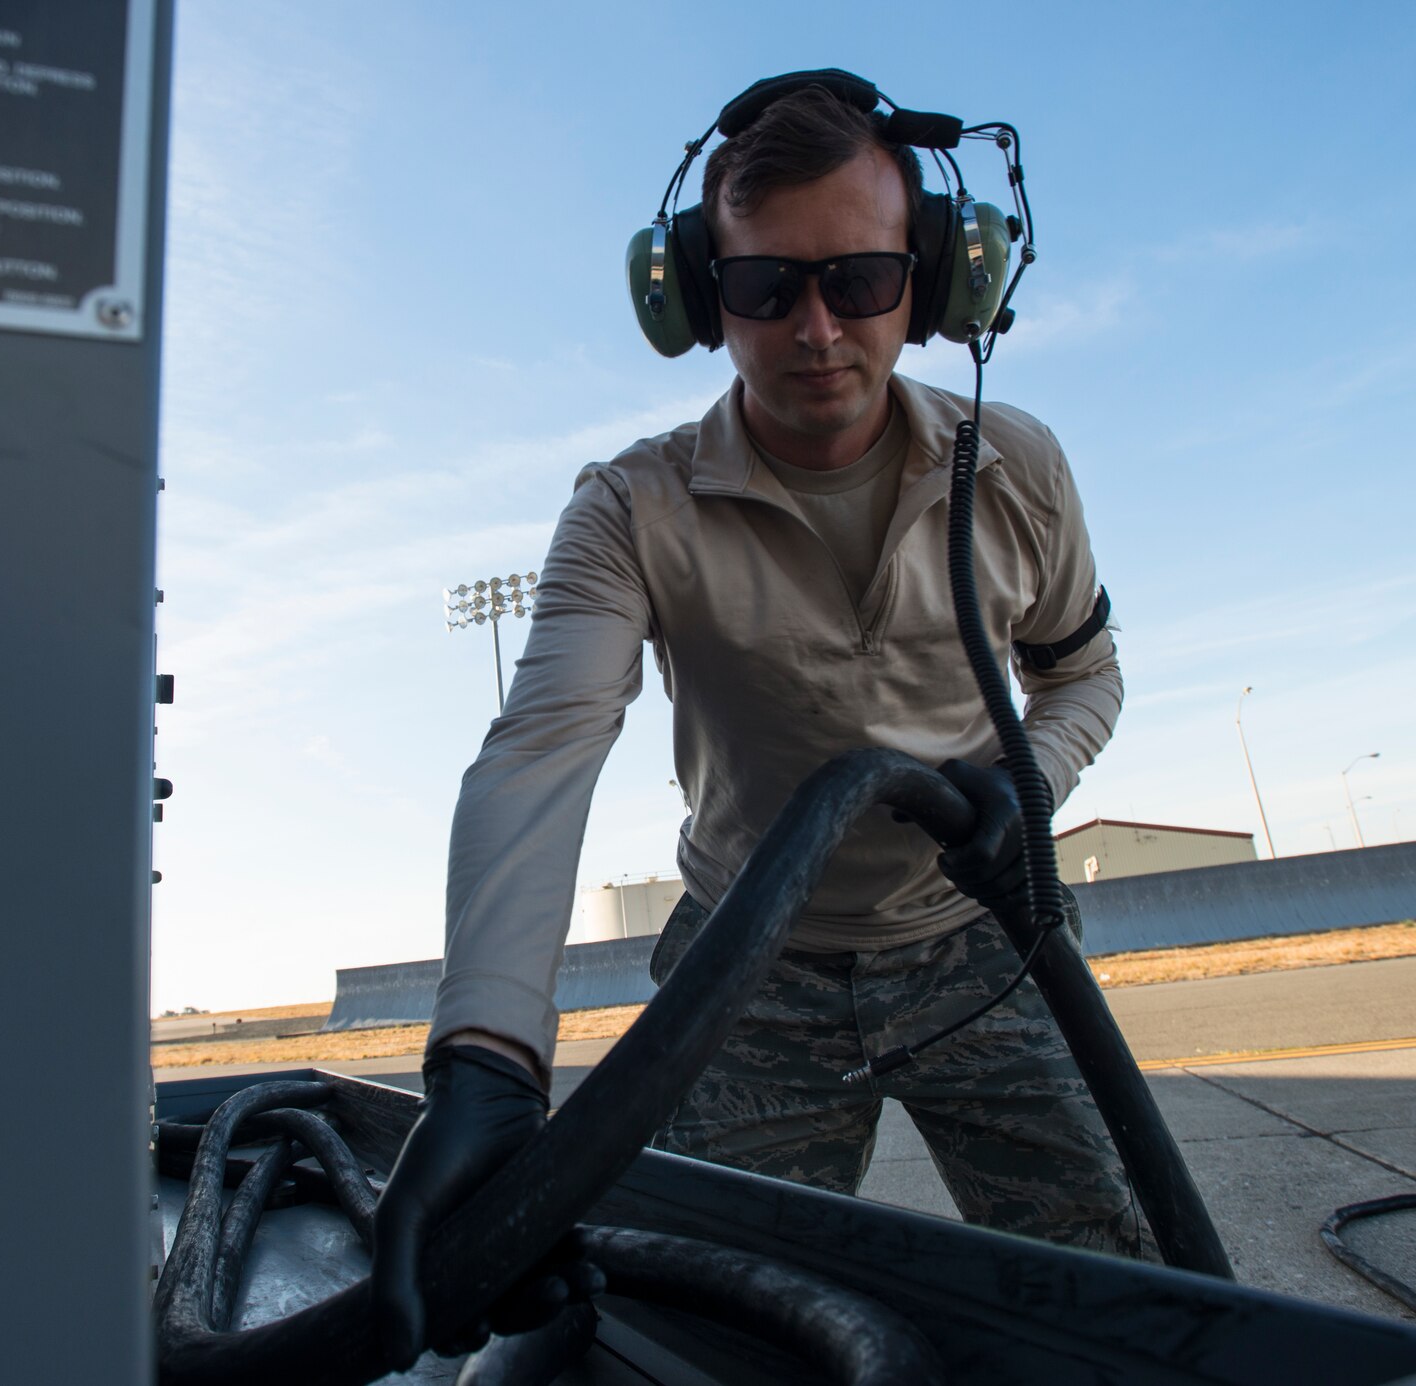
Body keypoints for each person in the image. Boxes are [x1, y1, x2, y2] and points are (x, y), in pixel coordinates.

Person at [369, 79, 1136, 1367]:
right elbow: (539, 751)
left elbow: (1087, 677)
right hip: (748, 968)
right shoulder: (630, 508)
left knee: (1125, 1307)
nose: (819, 328)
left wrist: (1024, 780)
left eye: (866, 277)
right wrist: (486, 1058)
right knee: (697, 1334)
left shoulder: (1018, 472)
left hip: (986, 945)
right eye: (768, 287)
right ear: (695, 296)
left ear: (940, 278)